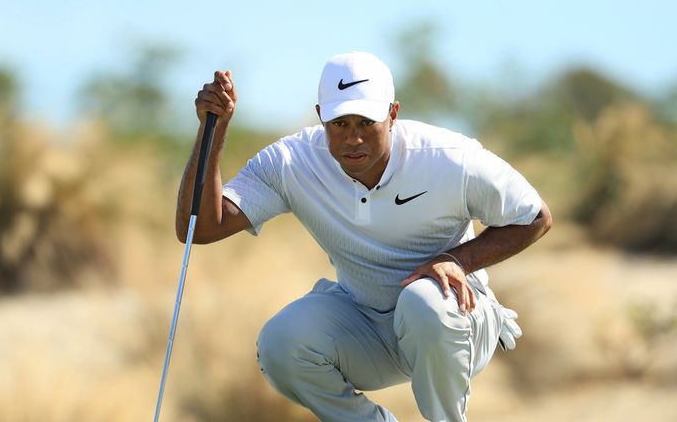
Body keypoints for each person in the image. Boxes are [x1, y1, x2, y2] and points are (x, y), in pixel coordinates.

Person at [177, 51, 552, 422]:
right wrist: (215, 129)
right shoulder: (291, 162)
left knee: (423, 301)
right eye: (340, 124)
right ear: (321, 114)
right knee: (282, 344)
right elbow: (202, 227)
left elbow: (535, 217)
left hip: (457, 321)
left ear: (392, 114)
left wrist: (456, 260)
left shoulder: (449, 158)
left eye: (365, 122)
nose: (353, 139)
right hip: (368, 325)